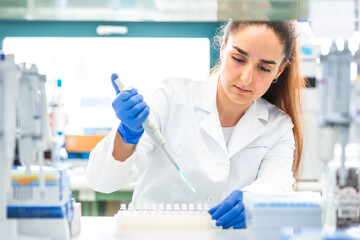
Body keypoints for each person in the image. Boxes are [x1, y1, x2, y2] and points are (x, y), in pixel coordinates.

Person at [86, 20, 307, 229]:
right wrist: (126, 134)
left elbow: (277, 183)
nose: (246, 78)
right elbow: (102, 181)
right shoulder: (172, 97)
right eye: (239, 59)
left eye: (264, 68)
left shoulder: (277, 126)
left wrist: (256, 200)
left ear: (279, 70)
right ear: (223, 48)